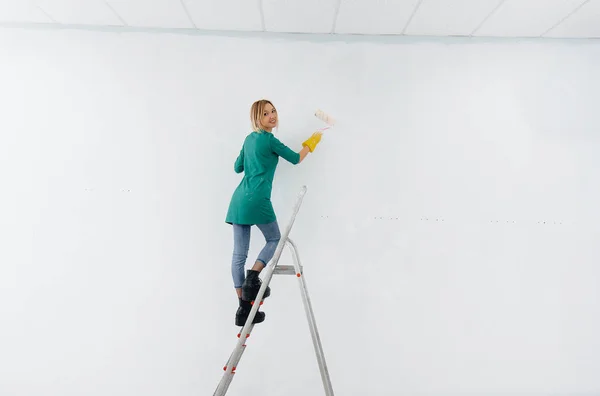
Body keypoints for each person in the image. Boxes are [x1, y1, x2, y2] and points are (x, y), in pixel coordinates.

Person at [225, 99, 323, 326]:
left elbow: (237, 167)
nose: (272, 116)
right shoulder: (269, 140)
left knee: (238, 255)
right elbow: (296, 159)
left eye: (273, 111)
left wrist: (250, 156)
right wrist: (312, 142)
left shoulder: (249, 139)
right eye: (266, 113)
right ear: (256, 118)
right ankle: (253, 277)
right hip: (258, 199)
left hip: (239, 200)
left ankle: (242, 308)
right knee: (274, 238)